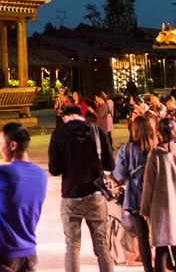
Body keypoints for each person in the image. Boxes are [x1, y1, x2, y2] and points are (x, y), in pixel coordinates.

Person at [48, 103, 116, 272]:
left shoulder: (58, 134)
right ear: (83, 116)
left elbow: (54, 170)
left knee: (72, 246)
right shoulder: (96, 130)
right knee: (101, 245)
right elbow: (110, 165)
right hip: (95, 194)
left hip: (71, 195)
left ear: (64, 119)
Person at [0, 123, 46, 272]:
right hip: (29, 256)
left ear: (13, 145)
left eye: (1, 144)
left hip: (1, 254)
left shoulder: (0, 173)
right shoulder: (41, 175)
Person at [141, 117, 176, 272]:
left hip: (161, 206)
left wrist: (144, 209)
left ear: (159, 133)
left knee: (161, 249)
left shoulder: (155, 154)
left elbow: (148, 185)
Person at [114, 115, 156, 272]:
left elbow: (118, 174)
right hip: (155, 197)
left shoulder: (127, 149)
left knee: (142, 235)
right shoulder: (156, 148)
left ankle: (148, 268)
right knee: (159, 235)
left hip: (134, 197)